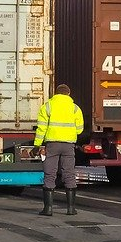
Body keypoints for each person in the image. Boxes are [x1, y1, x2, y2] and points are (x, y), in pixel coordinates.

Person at [32, 83, 84, 216]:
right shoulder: (75, 108)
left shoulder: (47, 106)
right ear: (69, 93)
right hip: (68, 145)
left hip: (52, 145)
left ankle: (48, 209)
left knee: (50, 174)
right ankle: (71, 209)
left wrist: (37, 144)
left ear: (55, 93)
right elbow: (80, 129)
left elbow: (41, 128)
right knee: (69, 174)